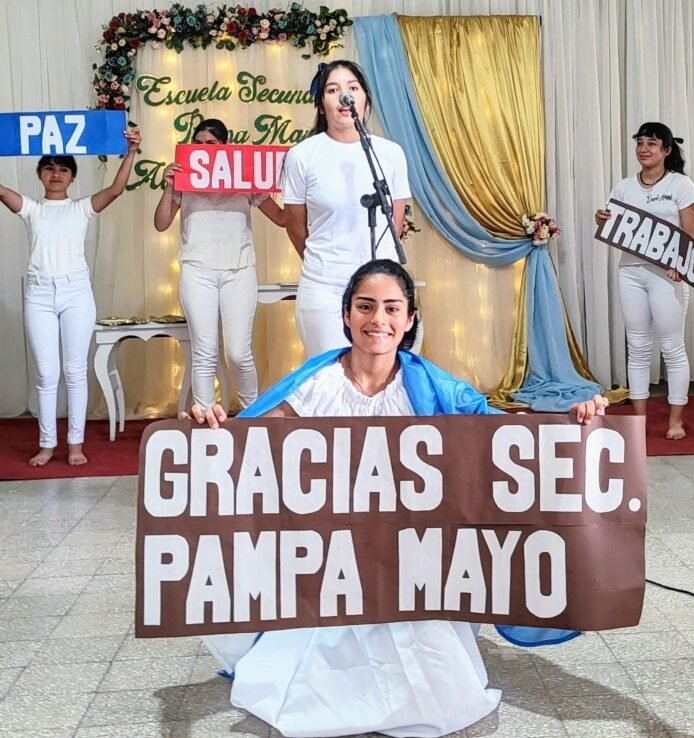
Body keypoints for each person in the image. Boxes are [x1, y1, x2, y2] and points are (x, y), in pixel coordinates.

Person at [187, 259, 608, 738]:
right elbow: (253, 441)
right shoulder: (318, 383)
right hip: (333, 560)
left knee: (433, 675)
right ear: (346, 315)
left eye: (392, 308)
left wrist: (569, 426)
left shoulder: (431, 385)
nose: (378, 320)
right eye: (365, 307)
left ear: (409, 319)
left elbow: (505, 435)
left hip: (411, 561)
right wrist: (212, 432)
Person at [0, 127, 141, 466]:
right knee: (47, 374)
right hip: (39, 293)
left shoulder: (81, 208)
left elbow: (117, 189)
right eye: (49, 168)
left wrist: (131, 151)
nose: (56, 174)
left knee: (76, 371)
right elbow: (3, 193)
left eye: (63, 169)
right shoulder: (32, 208)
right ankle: (47, 444)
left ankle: (75, 444)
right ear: (39, 174)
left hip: (76, 292)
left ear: (73, 176)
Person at [154, 118, 285, 411]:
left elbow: (281, 218)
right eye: (198, 144)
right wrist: (168, 187)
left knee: (239, 353)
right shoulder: (185, 179)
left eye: (211, 144)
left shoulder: (244, 177)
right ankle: (205, 418)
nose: (204, 149)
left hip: (239, 269)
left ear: (224, 147)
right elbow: (161, 223)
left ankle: (254, 416)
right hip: (197, 269)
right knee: (205, 352)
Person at [283, 60, 411, 357]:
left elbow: (397, 220)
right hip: (325, 284)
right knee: (333, 377)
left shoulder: (390, 153)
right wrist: (326, 260)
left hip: (382, 283)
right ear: (322, 103)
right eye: (333, 89)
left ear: (365, 99)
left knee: (385, 379)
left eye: (352, 88)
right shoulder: (302, 155)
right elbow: (295, 225)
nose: (345, 96)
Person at [596, 121, 694, 439]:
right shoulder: (624, 186)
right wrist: (602, 220)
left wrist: (683, 263)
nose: (643, 148)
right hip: (631, 271)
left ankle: (675, 421)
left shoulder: (682, 184)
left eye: (651, 143)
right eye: (640, 142)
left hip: (668, 274)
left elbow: (691, 230)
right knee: (637, 347)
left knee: (671, 347)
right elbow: (615, 224)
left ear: (666, 150)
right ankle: (637, 423)